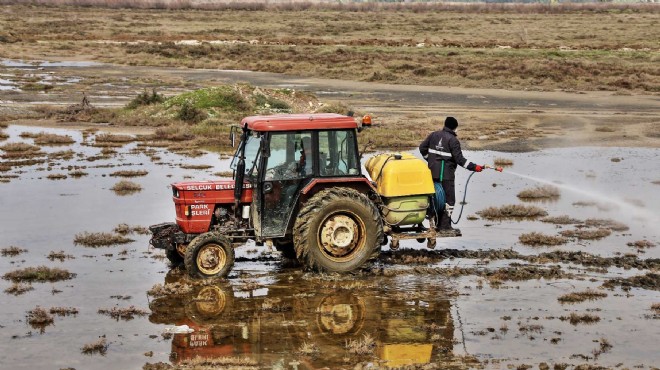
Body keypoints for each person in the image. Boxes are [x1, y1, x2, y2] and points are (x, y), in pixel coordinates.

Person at [419, 117, 483, 235]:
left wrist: (430, 160)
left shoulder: (434, 135)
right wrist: (475, 167)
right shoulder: (453, 140)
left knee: (435, 199)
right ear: (455, 127)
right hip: (446, 175)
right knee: (449, 201)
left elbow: (422, 148)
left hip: (432, 173)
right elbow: (460, 160)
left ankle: (437, 224)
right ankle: (445, 227)